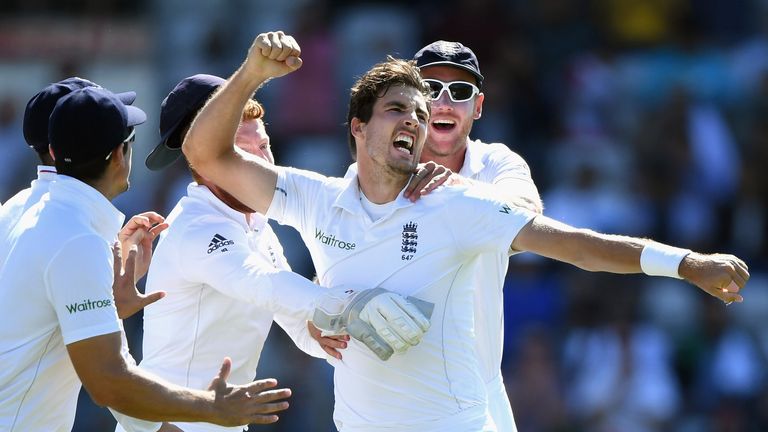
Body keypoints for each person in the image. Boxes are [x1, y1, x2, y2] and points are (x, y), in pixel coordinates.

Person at [182, 31, 749, 432]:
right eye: (413, 101)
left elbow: (564, 238)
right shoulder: (319, 198)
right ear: (357, 127)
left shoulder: (475, 189)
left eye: (439, 103)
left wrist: (686, 263)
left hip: (469, 403)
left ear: (478, 106)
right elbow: (204, 154)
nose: (425, 113)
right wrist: (254, 71)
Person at [114, 74, 433, 432]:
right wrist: (349, 304)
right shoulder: (196, 226)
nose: (262, 164)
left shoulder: (256, 223)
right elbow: (260, 283)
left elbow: (294, 315)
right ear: (207, 158)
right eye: (244, 153)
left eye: (264, 146)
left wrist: (319, 333)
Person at [0, 86, 294, 432]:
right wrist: (213, 408)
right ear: (119, 157)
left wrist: (110, 305)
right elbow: (110, 382)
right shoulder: (78, 240)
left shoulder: (16, 211)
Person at [330, 41, 543, 431]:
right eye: (430, 89)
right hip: (379, 406)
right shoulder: (368, 175)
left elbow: (526, 212)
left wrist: (455, 193)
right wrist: (316, 315)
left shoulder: (496, 162)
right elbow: (331, 268)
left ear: (477, 107)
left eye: (459, 92)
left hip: (476, 395)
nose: (444, 103)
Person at [0, 77, 167, 316]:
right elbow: (94, 348)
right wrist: (114, 304)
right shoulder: (71, 226)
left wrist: (113, 274)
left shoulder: (18, 207)